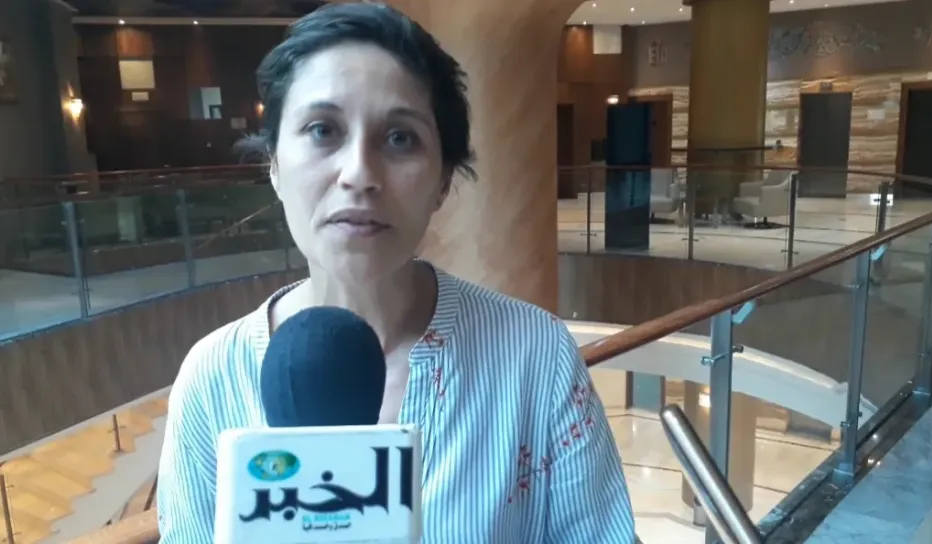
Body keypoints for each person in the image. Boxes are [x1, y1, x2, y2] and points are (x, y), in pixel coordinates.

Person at [156, 3, 636, 542]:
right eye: (322, 130)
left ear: (443, 181)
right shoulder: (213, 380)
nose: (359, 173)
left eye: (400, 138)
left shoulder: (535, 358)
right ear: (274, 164)